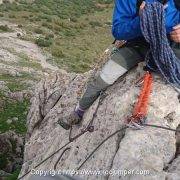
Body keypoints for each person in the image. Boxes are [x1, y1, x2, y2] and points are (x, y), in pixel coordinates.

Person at [59, 0, 180, 130]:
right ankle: (79, 111)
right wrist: (142, 20)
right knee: (105, 77)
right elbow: (119, 30)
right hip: (138, 45)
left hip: (171, 46)